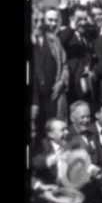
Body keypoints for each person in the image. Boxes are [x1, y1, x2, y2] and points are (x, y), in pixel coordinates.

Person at [32, 7, 69, 138]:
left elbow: (64, 64)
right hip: (34, 98)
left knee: (53, 132)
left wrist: (61, 82)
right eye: (35, 20)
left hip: (53, 96)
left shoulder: (53, 40)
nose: (39, 24)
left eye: (42, 20)